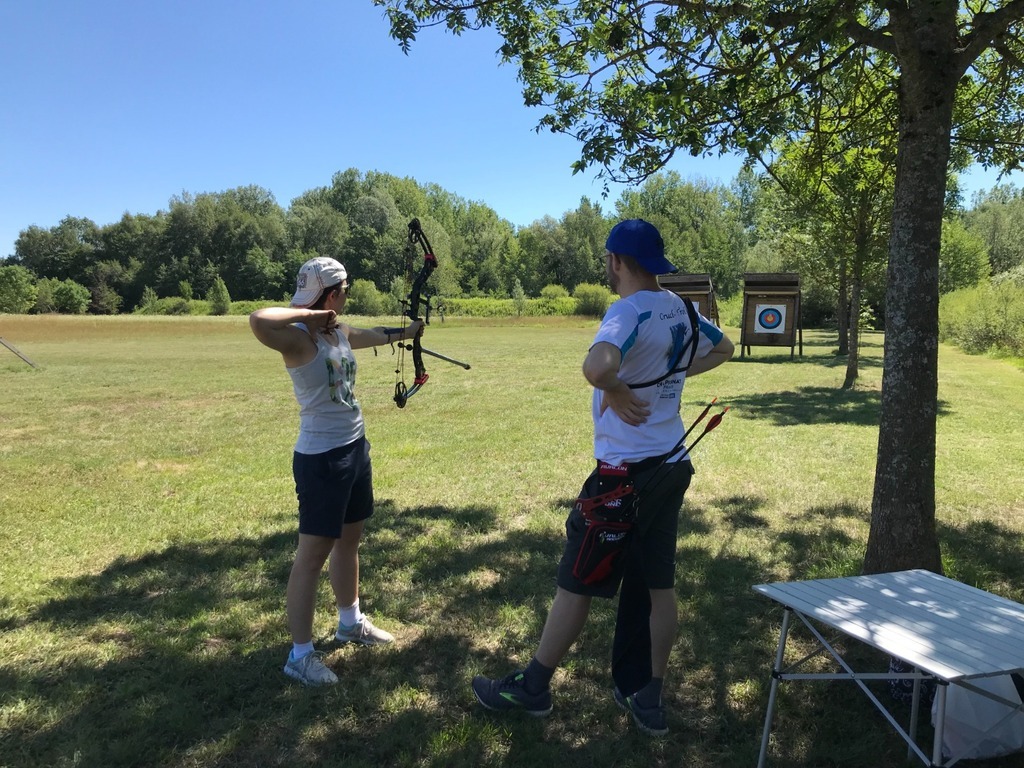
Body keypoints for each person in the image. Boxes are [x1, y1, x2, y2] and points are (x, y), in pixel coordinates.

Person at [471, 219, 734, 735]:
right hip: (670, 467)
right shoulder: (682, 308)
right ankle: (648, 697)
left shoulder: (628, 309)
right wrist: (667, 379)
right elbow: (722, 349)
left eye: (608, 261)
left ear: (616, 262)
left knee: (577, 583)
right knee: (659, 585)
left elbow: (596, 366)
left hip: (623, 476)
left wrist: (615, 386)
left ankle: (534, 688)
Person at [250, 256, 424, 686]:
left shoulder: (337, 331)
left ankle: (350, 622)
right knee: (311, 557)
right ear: (330, 295)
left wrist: (409, 331)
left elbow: (373, 334)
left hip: (353, 447)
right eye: (344, 290)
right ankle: (300, 655)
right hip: (321, 458)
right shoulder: (295, 340)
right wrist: (309, 313)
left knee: (350, 540)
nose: (348, 297)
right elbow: (257, 319)